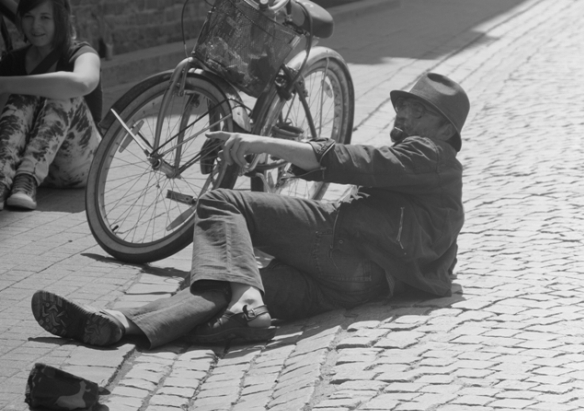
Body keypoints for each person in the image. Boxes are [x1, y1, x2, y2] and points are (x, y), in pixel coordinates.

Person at [31, 72, 470, 349]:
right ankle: (120, 324)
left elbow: (351, 160)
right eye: (403, 107)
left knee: (221, 202)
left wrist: (259, 141)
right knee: (226, 288)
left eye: (417, 111)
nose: (403, 116)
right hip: (359, 287)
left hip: (344, 247)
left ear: (444, 128)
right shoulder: (435, 174)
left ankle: (246, 302)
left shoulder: (432, 154)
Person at [0, 0, 102, 211]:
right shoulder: (12, 62)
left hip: (79, 165)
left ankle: (27, 178)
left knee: (65, 91)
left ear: (60, 20)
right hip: (26, 169)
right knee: (22, 96)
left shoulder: (82, 53)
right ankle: (3, 180)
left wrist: (5, 83)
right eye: (28, 17)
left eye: (45, 18)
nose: (35, 25)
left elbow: (83, 82)